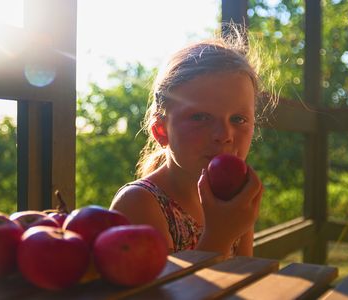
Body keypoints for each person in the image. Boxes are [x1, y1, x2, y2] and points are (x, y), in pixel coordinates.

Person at [110, 27, 275, 257]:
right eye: (200, 117)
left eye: (238, 119)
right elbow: (172, 292)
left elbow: (241, 280)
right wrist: (221, 235)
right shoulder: (139, 204)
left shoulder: (233, 199)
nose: (224, 134)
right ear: (161, 130)